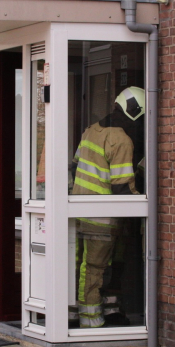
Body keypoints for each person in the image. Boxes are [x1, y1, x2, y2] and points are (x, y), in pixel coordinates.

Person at [70, 86, 144, 329]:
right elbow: (121, 188)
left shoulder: (91, 131)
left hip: (78, 213)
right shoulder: (121, 140)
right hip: (101, 218)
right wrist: (141, 197)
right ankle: (91, 321)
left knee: (78, 265)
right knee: (94, 270)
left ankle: (73, 312)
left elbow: (75, 167)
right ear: (136, 113)